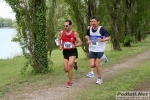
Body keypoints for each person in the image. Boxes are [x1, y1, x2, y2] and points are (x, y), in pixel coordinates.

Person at [86, 16, 111, 84]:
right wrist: (88, 40)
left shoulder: (102, 29)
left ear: (98, 22)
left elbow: (109, 37)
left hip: (100, 49)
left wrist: (102, 40)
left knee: (97, 64)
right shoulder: (90, 29)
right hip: (92, 49)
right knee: (91, 65)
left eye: (94, 21)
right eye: (91, 21)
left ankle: (99, 79)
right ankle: (103, 58)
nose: (92, 23)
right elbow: (87, 35)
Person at [58, 20, 82, 88]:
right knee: (66, 69)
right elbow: (59, 39)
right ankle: (74, 63)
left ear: (70, 26)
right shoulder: (61, 32)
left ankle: (70, 82)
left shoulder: (75, 33)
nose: (65, 27)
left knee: (69, 67)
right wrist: (60, 45)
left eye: (67, 26)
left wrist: (75, 45)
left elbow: (80, 42)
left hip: (72, 51)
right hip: (65, 52)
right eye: (64, 26)